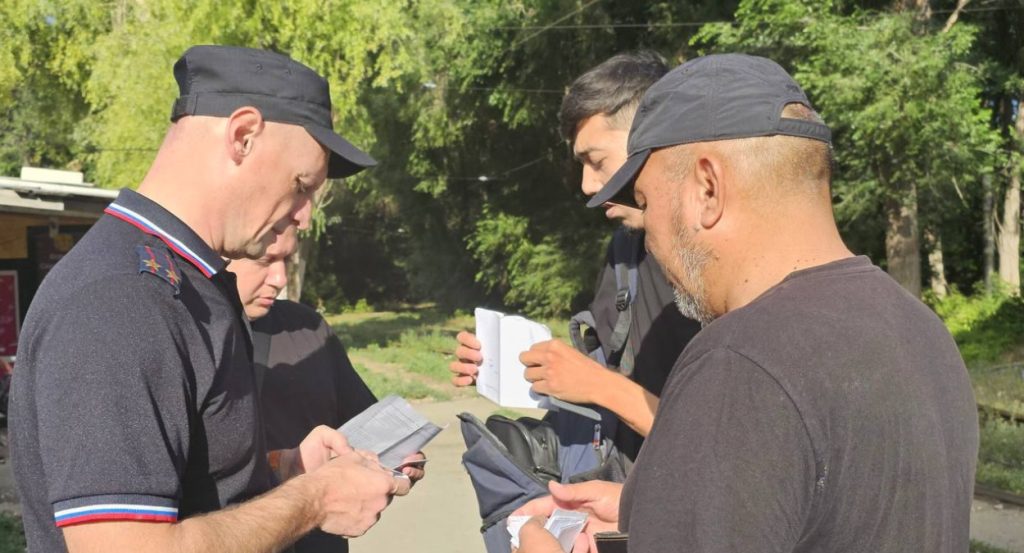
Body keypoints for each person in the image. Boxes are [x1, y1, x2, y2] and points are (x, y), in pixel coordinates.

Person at [515, 53, 979, 553]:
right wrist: (646, 506)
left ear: (707, 188)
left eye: (647, 203)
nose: (647, 235)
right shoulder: (922, 329)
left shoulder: (738, 361)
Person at [9, 45, 407, 553]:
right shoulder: (121, 301)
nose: (305, 216)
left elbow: (184, 481)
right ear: (243, 136)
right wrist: (314, 500)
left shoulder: (188, 281)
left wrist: (284, 468)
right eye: (302, 184)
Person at [451, 52, 701, 458]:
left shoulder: (725, 259)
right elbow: (606, 375)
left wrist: (598, 385)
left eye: (596, 161)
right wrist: (521, 367)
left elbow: (731, 449)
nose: (587, 185)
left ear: (652, 135)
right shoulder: (626, 249)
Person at [226, 226, 426, 553]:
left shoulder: (308, 327)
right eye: (266, 261)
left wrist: (398, 456)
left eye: (286, 262)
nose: (280, 279)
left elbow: (364, 424)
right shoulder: (189, 335)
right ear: (222, 254)